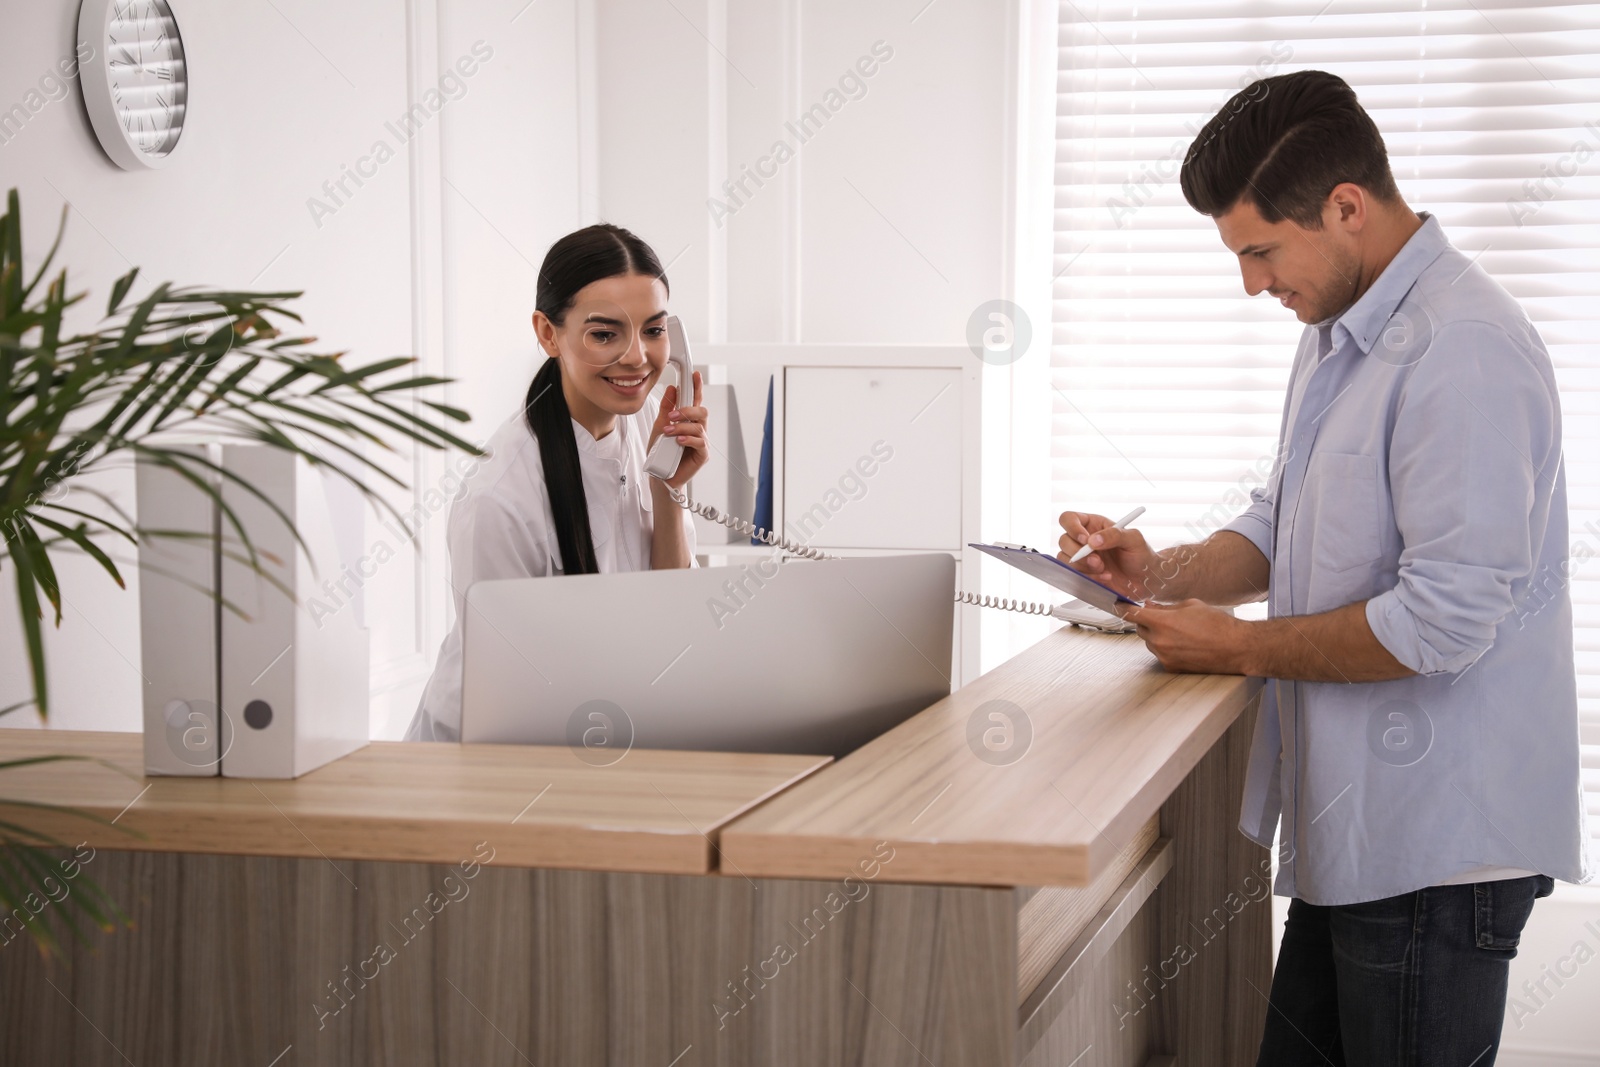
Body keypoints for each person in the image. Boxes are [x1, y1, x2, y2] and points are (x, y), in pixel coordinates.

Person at [1058, 70, 1587, 1064]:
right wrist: (1161, 573)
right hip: (1361, 839)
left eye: (1259, 251)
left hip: (1435, 850)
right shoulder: (1339, 329)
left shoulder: (1464, 346)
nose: (1251, 282)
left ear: (1345, 207)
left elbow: (1444, 618)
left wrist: (1239, 649)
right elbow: (1279, 521)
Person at [405, 224, 707, 742]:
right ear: (548, 334)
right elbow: (512, 694)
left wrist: (668, 491)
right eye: (605, 333)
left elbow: (671, 615)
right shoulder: (498, 499)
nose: (637, 357)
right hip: (487, 755)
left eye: (654, 330)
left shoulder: (644, 421)